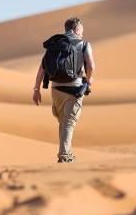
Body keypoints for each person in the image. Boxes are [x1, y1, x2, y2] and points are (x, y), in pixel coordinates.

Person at [31, 17, 95, 163]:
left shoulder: (55, 43)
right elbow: (91, 65)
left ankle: (68, 153)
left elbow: (42, 68)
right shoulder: (83, 44)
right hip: (75, 87)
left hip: (56, 88)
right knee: (69, 122)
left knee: (63, 122)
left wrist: (36, 89)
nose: (82, 33)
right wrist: (89, 79)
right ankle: (64, 156)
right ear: (74, 29)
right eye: (81, 30)